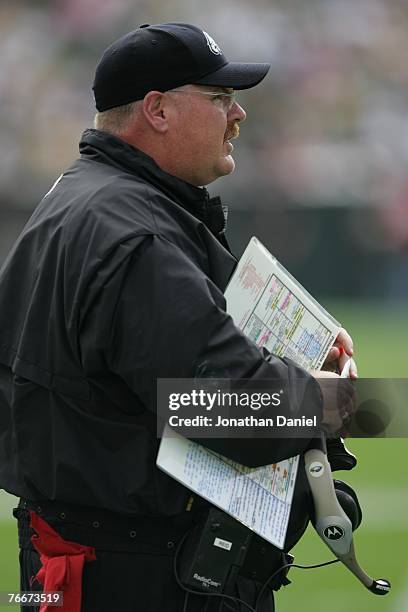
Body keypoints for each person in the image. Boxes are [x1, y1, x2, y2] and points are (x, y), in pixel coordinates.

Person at [0, 23, 356, 612]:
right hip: (135, 573)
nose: (238, 114)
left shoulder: (80, 194)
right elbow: (220, 407)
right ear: (157, 110)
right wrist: (344, 401)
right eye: (218, 99)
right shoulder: (132, 231)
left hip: (76, 554)